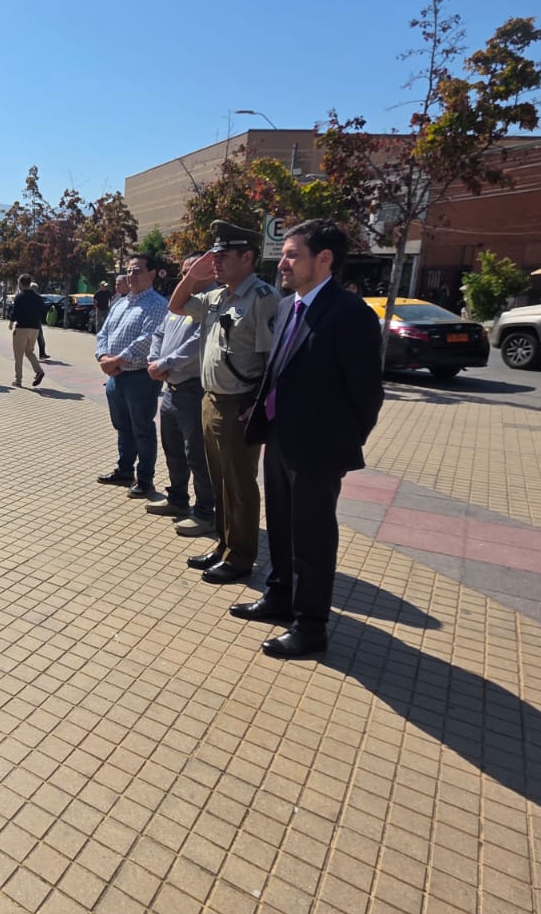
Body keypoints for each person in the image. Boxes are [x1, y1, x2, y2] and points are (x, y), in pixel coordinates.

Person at [234, 220, 384, 658]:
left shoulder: (350, 313)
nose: (282, 262)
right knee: (280, 526)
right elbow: (277, 369)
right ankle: (279, 596)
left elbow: (367, 393)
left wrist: (341, 443)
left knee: (313, 539)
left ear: (324, 259)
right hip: (279, 437)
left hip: (319, 450)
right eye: (283, 254)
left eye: (292, 254)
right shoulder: (287, 306)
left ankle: (311, 626)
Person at [167, 222, 281, 586]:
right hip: (211, 400)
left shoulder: (262, 299)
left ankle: (241, 557)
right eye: (211, 257)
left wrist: (259, 407)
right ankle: (223, 545)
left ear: (247, 257)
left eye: (222, 256)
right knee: (219, 482)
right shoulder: (217, 296)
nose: (214, 263)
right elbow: (176, 305)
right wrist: (194, 276)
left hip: (239, 406)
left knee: (240, 485)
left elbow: (273, 361)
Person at [145, 255, 214, 536]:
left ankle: (205, 512)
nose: (187, 278)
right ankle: (177, 499)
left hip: (193, 389)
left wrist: (165, 364)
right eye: (184, 273)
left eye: (193, 273)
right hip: (171, 391)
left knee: (196, 454)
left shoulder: (212, 303)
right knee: (173, 450)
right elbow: (159, 333)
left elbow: (198, 342)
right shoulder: (179, 303)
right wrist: (154, 359)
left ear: (209, 273)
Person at [93, 254, 167, 496]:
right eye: (129, 271)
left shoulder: (157, 304)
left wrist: (117, 359)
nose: (130, 276)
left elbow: (147, 339)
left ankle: (145, 479)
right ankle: (125, 470)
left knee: (142, 428)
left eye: (137, 271)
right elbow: (103, 332)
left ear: (152, 274)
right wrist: (103, 357)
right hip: (116, 377)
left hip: (140, 378)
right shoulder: (121, 302)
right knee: (123, 427)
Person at [8, 273, 47, 387]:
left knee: (18, 355)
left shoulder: (19, 297)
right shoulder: (38, 298)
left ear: (20, 283)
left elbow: (15, 312)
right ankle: (39, 371)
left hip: (22, 328)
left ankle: (18, 380)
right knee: (29, 352)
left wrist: (11, 323)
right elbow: (42, 313)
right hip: (35, 329)